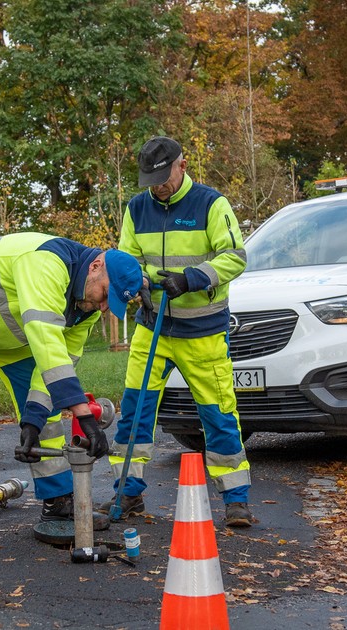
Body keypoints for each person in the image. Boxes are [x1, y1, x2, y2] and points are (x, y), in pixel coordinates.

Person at [0, 232, 143, 547]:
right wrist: (84, 416)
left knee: (47, 404)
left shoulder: (86, 309)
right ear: (95, 266)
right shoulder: (46, 262)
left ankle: (58, 504)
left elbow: (58, 366)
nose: (103, 307)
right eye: (105, 294)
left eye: (110, 303)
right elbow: (47, 344)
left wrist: (33, 419)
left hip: (4, 333)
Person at [104, 136, 253, 528]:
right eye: (150, 178)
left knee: (217, 413)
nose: (157, 185)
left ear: (182, 166)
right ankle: (127, 492)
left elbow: (235, 257)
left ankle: (235, 499)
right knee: (135, 411)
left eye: (163, 177)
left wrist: (191, 279)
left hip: (202, 331)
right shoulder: (136, 209)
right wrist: (143, 284)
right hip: (152, 326)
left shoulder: (211, 204)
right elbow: (127, 258)